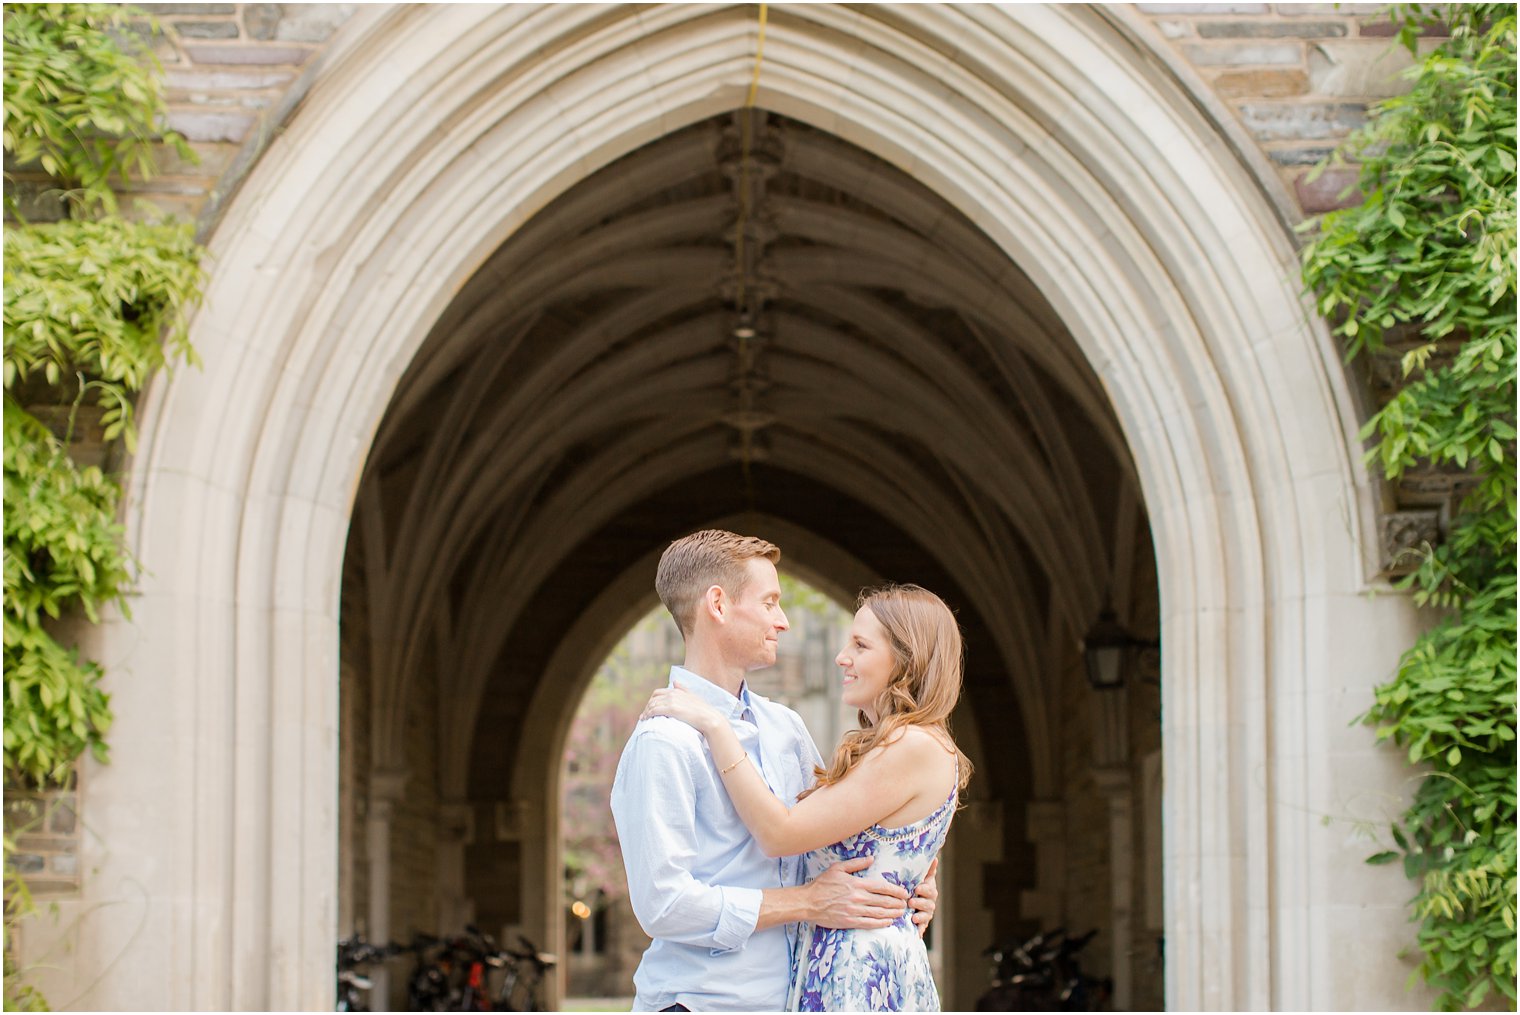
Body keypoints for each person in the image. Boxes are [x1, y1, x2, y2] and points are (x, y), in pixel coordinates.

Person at [611, 530, 940, 1012]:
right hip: (701, 1003)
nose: (783, 621)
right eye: (769, 603)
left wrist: (901, 885)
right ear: (718, 605)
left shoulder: (786, 728)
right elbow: (664, 904)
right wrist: (806, 903)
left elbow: (827, 840)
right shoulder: (664, 740)